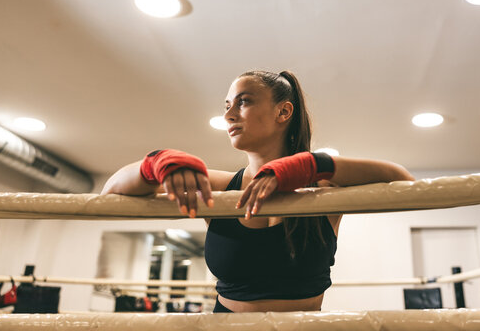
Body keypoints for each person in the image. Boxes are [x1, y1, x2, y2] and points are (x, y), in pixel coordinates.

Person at [101, 70, 415, 313]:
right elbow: (110, 193)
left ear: (283, 112)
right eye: (227, 105)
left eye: (244, 101)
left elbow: (403, 183)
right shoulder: (222, 189)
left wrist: (314, 165)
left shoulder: (322, 190)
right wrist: (155, 162)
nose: (229, 114)